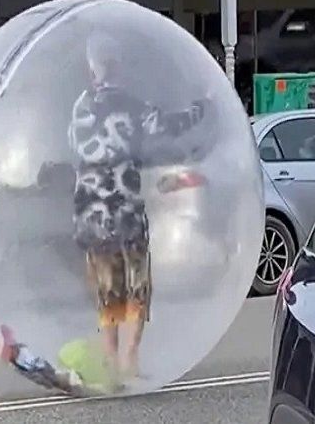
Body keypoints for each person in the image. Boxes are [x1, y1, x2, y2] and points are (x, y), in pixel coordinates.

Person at [68, 32, 204, 383]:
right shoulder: (132, 104)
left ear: (92, 68)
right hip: (126, 212)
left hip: (92, 216)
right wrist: (203, 107)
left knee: (107, 288)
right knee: (137, 286)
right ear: (118, 66)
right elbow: (169, 126)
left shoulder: (80, 108)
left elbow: (73, 152)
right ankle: (130, 358)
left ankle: (113, 360)